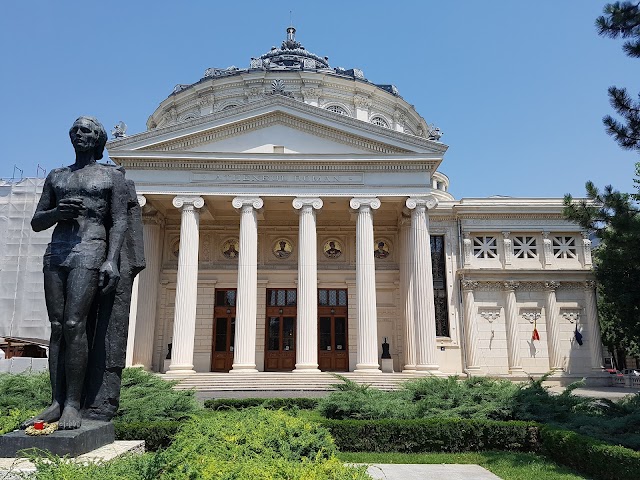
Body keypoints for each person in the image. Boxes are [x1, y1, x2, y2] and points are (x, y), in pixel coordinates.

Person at [24, 116, 129, 430]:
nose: (78, 134)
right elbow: (37, 221)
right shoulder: (58, 176)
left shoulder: (112, 177)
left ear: (97, 138)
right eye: (74, 130)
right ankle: (56, 402)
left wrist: (111, 261)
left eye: (85, 130)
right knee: (57, 327)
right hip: (57, 250)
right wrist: (58, 212)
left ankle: (73, 403)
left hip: (91, 247)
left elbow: (120, 221)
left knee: (74, 322)